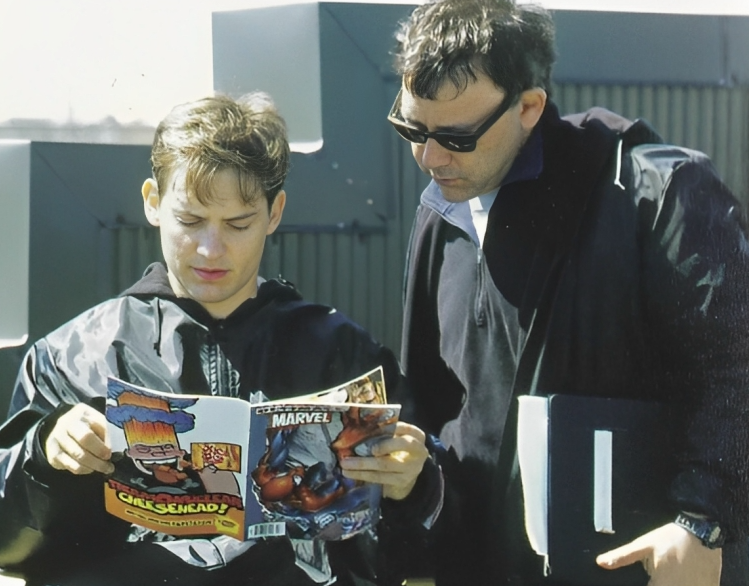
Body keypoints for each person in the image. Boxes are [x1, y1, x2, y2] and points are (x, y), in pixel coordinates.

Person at [0, 92, 438, 586]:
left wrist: (415, 487)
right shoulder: (71, 358)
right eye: (189, 221)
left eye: (238, 223)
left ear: (274, 214)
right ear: (152, 202)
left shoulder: (345, 354)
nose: (211, 248)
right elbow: (9, 544)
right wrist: (44, 453)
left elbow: (412, 553)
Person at [391, 1, 749, 585]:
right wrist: (418, 551)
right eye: (411, 128)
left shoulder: (660, 195)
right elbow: (426, 400)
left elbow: (735, 372)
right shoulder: (440, 209)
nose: (430, 159)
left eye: (455, 136)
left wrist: (701, 522)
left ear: (530, 106)